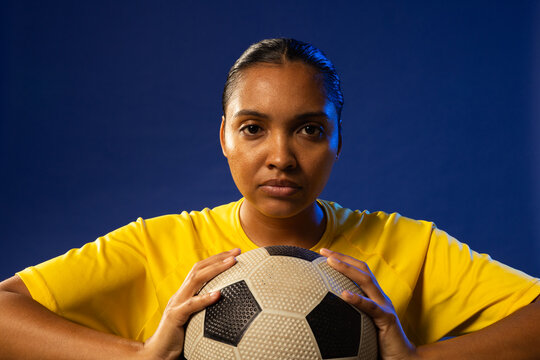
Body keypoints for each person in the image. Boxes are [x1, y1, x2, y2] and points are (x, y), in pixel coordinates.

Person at [0, 38, 538, 360]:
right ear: (225, 137)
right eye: (254, 128)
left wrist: (417, 359)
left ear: (337, 141)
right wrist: (139, 356)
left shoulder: (410, 245)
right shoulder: (157, 244)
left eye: (308, 130)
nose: (281, 156)